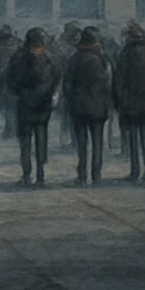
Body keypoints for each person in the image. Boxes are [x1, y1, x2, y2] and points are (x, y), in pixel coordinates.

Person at [7, 27, 60, 187]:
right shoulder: (50, 59)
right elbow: (57, 79)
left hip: (25, 103)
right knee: (41, 139)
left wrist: (20, 93)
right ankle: (41, 176)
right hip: (43, 105)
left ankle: (26, 175)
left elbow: (10, 81)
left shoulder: (17, 58)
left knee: (25, 141)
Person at [62, 25, 114, 187]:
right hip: (98, 108)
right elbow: (109, 84)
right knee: (97, 142)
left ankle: (82, 175)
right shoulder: (104, 60)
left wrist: (71, 101)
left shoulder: (75, 59)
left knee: (82, 144)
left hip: (79, 107)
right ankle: (96, 176)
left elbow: (67, 85)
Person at [113, 20, 145, 185]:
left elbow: (119, 80)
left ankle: (135, 171)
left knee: (133, 140)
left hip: (131, 103)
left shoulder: (125, 55)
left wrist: (119, 101)